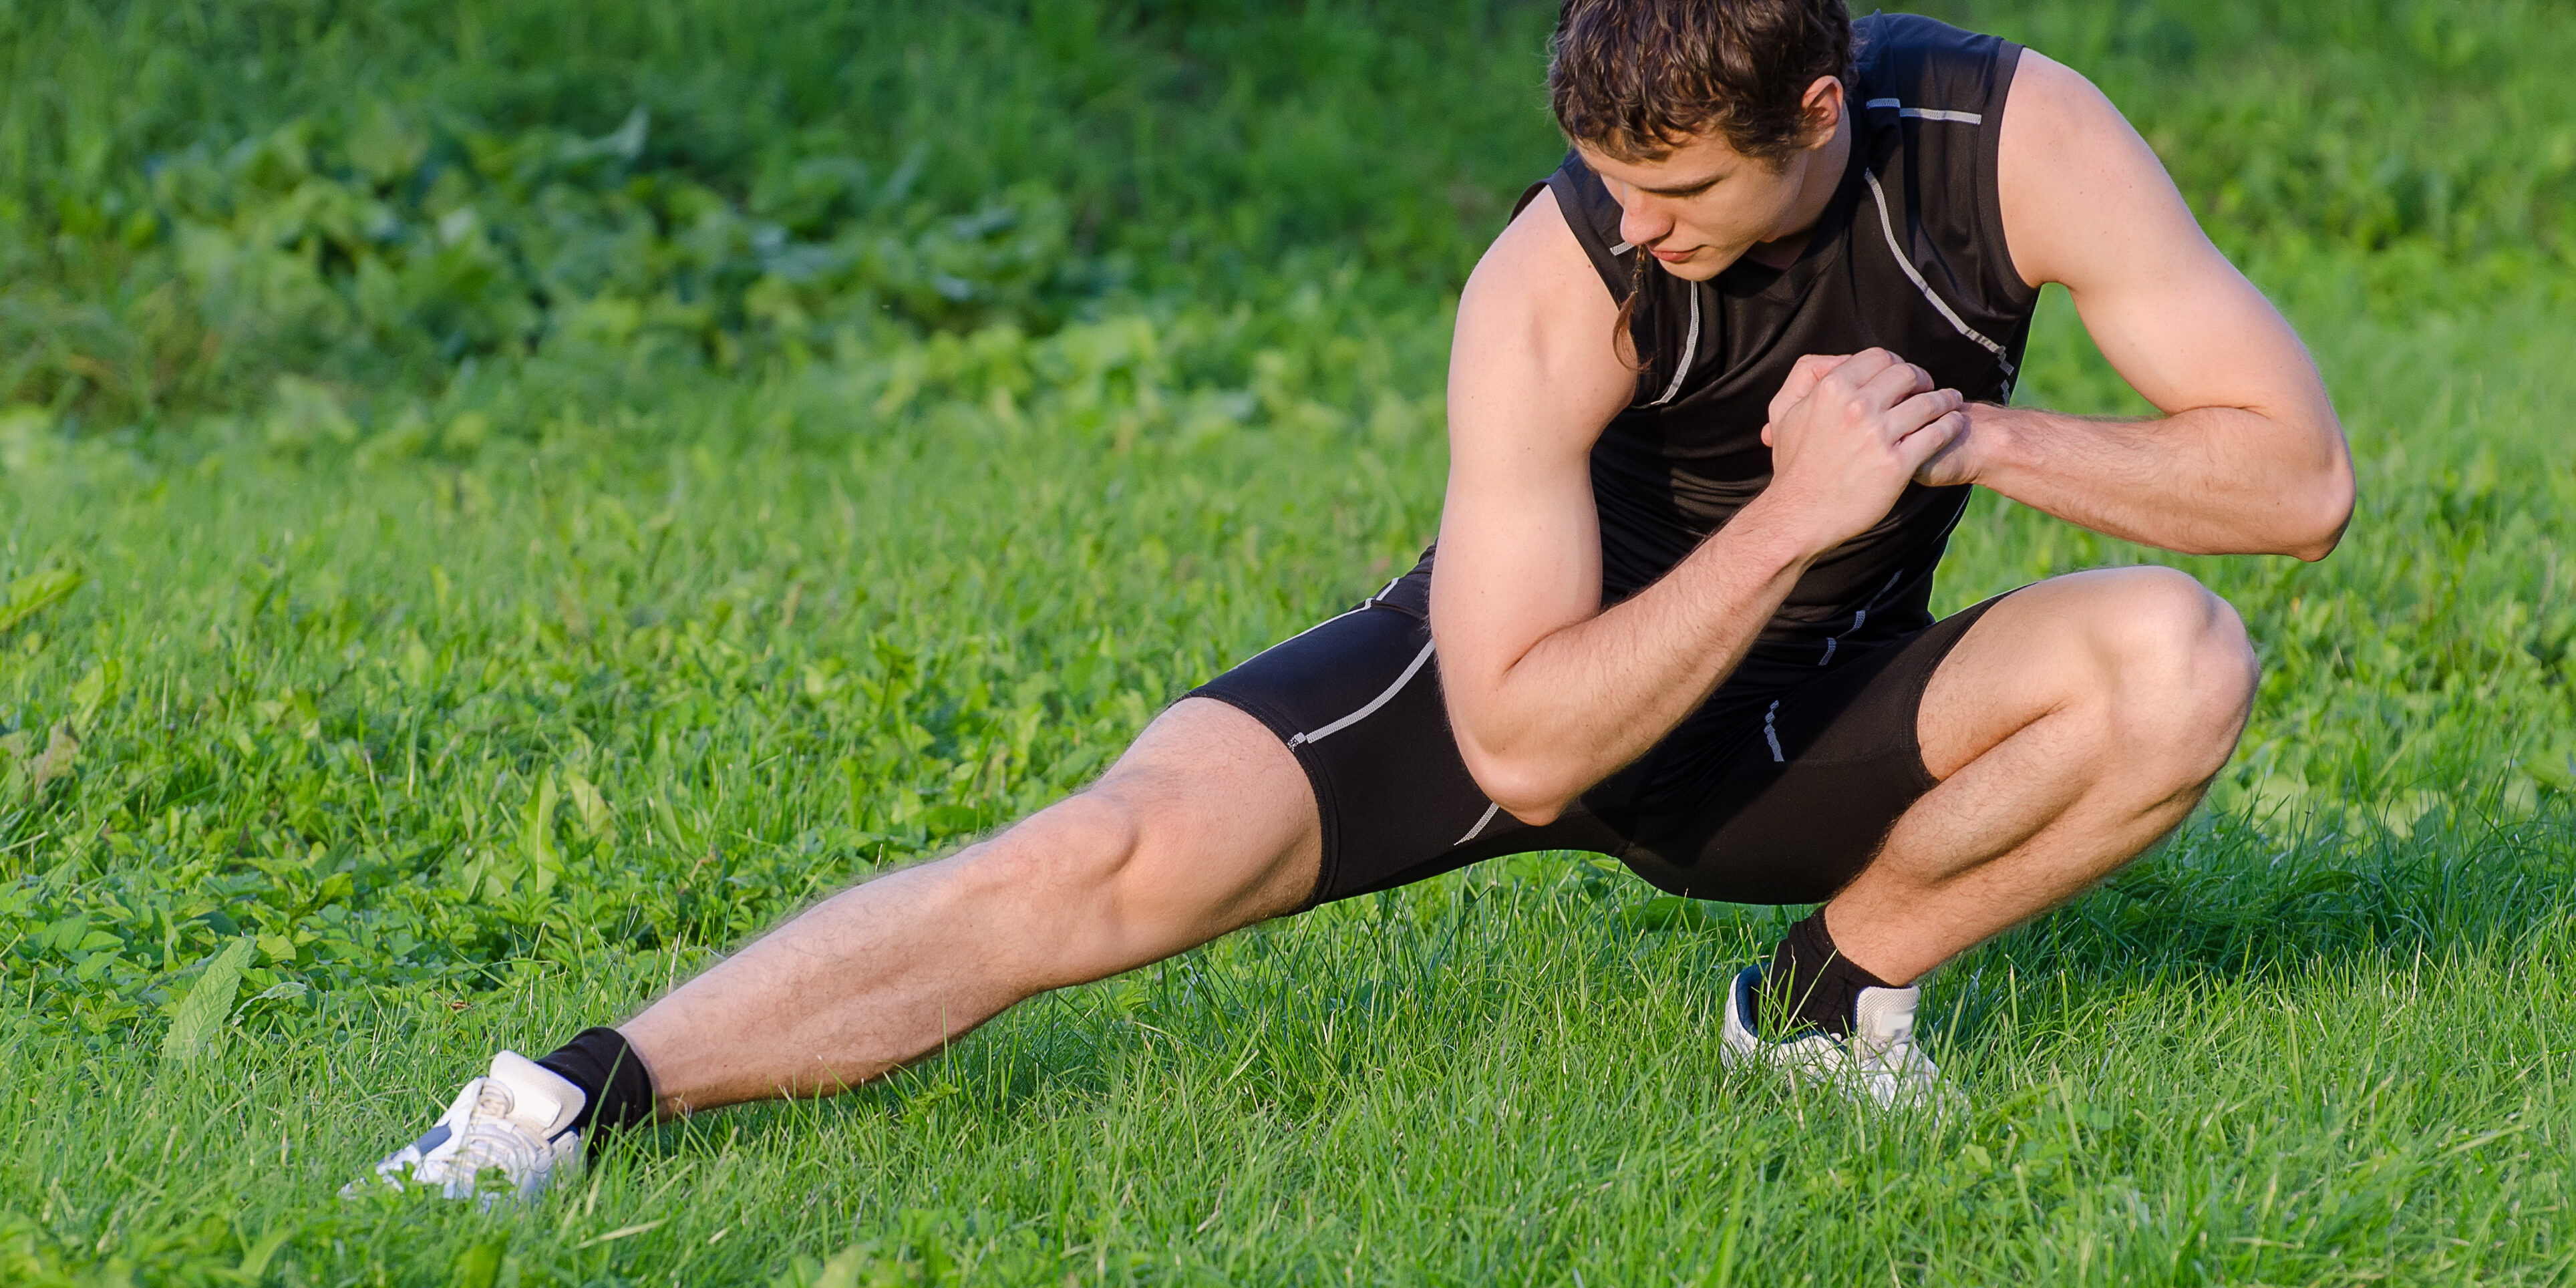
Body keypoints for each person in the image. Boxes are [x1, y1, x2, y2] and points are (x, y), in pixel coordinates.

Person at [356, 0, 2352, 1199]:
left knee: (2172, 657)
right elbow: (1527, 741)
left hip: (1803, 732)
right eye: (1599, 177)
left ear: (1816, 118)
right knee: (1104, 856)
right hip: (1538, 680)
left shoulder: (2010, 139)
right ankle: (564, 1103)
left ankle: (1824, 1014)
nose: (1629, 223)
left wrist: (1968, 445)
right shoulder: (1553, 275)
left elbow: (2297, 477)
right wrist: (1783, 515)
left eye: (1677, 193)